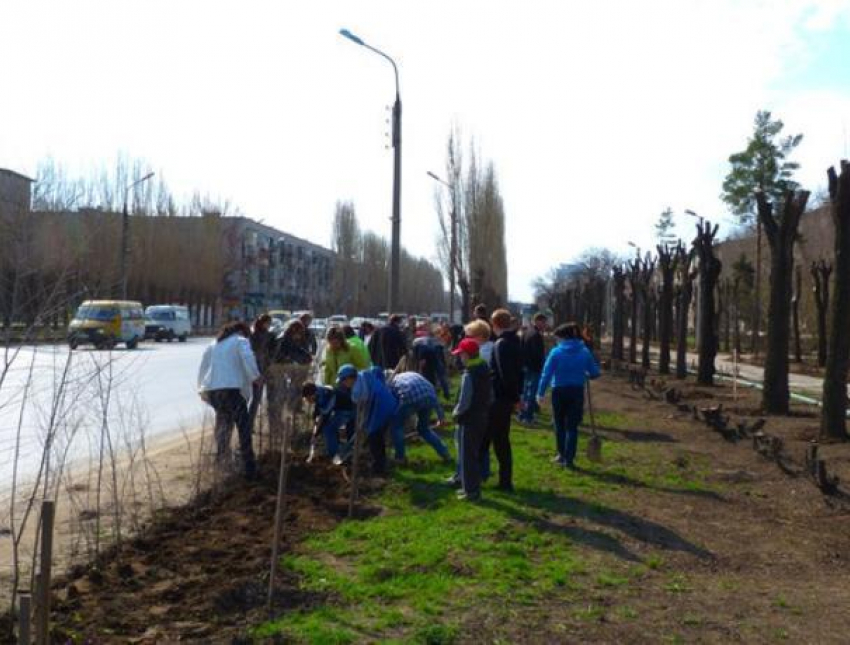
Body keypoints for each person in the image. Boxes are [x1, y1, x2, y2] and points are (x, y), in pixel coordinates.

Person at [197, 321, 262, 479]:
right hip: (232, 390)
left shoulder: (214, 344)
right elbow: (248, 358)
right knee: (243, 427)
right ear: (242, 332)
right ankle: (249, 465)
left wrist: (201, 388)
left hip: (214, 391)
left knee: (224, 424)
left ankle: (222, 460)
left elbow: (203, 366)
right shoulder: (240, 341)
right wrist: (256, 377)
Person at [537, 322, 601, 469]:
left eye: (557, 338)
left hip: (559, 391)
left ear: (563, 337)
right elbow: (595, 373)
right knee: (572, 427)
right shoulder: (584, 351)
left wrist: (540, 393)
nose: (556, 340)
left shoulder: (556, 352)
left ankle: (561, 454)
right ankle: (569, 459)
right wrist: (588, 372)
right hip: (576, 392)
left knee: (559, 425)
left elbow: (546, 374)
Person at [482, 309, 523, 492]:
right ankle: (505, 481)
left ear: (494, 323)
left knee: (485, 440)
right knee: (501, 441)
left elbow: (505, 374)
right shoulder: (515, 341)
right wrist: (516, 396)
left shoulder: (501, 344)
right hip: (507, 398)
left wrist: (514, 398)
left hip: (498, 398)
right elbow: (518, 372)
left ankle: (472, 479)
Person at [452, 338, 492, 501]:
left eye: (461, 354)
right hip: (482, 414)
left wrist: (456, 413)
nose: (459, 357)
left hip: (469, 418)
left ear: (467, 355)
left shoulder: (469, 374)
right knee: (473, 453)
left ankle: (472, 491)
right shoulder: (484, 368)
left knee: (467, 456)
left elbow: (464, 400)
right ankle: (469, 487)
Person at [387, 371, 452, 464]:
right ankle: (445, 453)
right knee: (424, 429)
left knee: (396, 425)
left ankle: (400, 457)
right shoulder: (411, 374)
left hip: (411, 397)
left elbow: (393, 402)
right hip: (429, 397)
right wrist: (441, 417)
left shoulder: (391, 383)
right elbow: (433, 395)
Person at [265, 320, 313, 441]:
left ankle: (278, 428)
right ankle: (275, 429)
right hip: (275, 374)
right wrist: (292, 360)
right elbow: (285, 354)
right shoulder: (283, 340)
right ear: (294, 331)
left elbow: (297, 351)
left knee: (281, 400)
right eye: (299, 333)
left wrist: (306, 356)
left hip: (278, 374)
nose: (300, 337)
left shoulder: (288, 339)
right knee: (278, 401)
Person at [302, 364, 357, 461]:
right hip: (340, 410)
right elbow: (318, 411)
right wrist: (315, 419)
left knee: (328, 428)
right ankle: (338, 450)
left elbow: (325, 416)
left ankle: (336, 455)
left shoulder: (324, 394)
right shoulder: (319, 392)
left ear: (311, 395)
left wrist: (316, 434)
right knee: (329, 427)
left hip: (348, 410)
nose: (308, 401)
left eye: (307, 399)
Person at [351, 365, 399, 475]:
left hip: (381, 409)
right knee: (376, 437)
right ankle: (381, 463)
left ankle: (379, 468)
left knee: (374, 437)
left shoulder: (362, 385)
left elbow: (366, 406)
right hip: (387, 407)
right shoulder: (367, 379)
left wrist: (364, 424)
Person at [519, 313, 547, 425]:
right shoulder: (536, 335)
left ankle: (522, 415)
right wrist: (541, 365)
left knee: (525, 392)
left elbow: (520, 348)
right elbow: (537, 354)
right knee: (531, 393)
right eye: (544, 322)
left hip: (525, 366)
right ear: (537, 321)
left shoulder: (525, 332)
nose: (545, 325)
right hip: (534, 367)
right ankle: (528, 417)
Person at [248, 314, 274, 431]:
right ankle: (250, 424)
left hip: (267, 369)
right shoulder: (254, 335)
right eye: (267, 323)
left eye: (270, 323)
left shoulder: (269, 335)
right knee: (256, 399)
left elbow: (272, 352)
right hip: (258, 370)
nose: (269, 325)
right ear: (262, 322)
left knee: (271, 398)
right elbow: (253, 353)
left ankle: (272, 424)